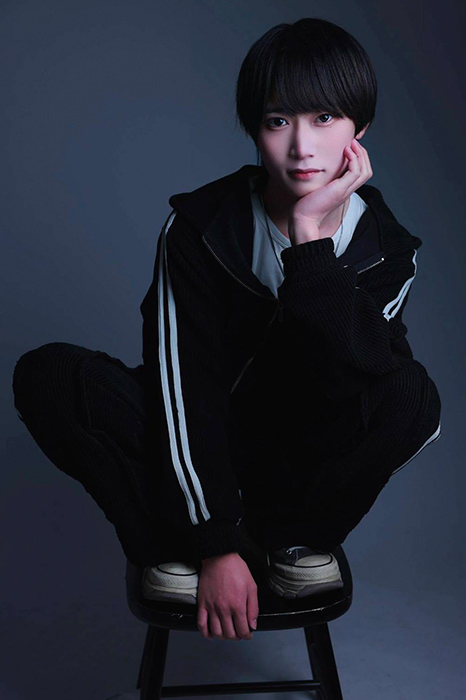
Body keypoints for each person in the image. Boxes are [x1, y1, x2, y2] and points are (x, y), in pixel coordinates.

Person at [12, 17, 442, 644]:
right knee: (49, 375)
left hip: (294, 473)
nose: (302, 146)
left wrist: (309, 245)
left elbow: (352, 380)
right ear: (254, 129)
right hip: (190, 454)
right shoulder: (200, 226)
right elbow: (184, 386)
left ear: (360, 128)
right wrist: (216, 544)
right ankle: (176, 547)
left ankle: (292, 545)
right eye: (278, 120)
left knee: (412, 396)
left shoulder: (388, 251)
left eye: (325, 117)